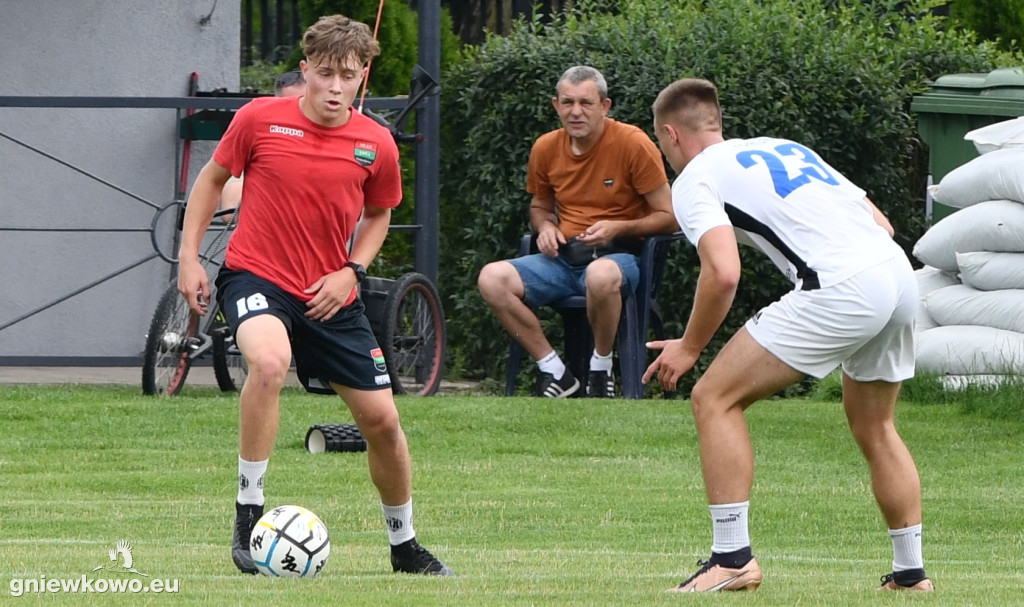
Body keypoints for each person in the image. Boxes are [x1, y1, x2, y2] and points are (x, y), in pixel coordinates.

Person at [176, 14, 454, 577]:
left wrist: (351, 270)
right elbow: (210, 180)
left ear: (362, 76)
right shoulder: (258, 119)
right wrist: (188, 256)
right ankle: (248, 514)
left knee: (383, 424)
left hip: (332, 295)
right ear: (305, 70)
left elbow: (379, 214)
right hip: (256, 277)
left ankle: (405, 547)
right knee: (270, 362)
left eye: (346, 76)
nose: (333, 87)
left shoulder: (376, 141)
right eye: (323, 73)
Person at [644, 77, 931, 592]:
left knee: (714, 398)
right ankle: (911, 576)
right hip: (896, 273)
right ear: (716, 122)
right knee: (877, 427)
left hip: (843, 286)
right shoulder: (783, 146)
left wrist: (689, 347)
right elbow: (882, 224)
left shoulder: (693, 180)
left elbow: (723, 272)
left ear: (670, 135)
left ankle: (731, 559)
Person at [477, 65, 676, 399]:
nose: (576, 112)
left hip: (619, 256)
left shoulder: (633, 143)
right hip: (563, 259)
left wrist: (619, 226)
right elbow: (540, 206)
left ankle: (600, 368)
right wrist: (545, 227)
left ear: (605, 106)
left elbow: (670, 217)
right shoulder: (545, 147)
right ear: (556, 105)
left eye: (586, 103)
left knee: (600, 275)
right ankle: (555, 371)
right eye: (567, 103)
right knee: (491, 278)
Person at [218, 70, 308, 216]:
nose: (297, 111)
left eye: (303, 103)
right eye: (288, 104)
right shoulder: (259, 138)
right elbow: (230, 210)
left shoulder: (331, 143)